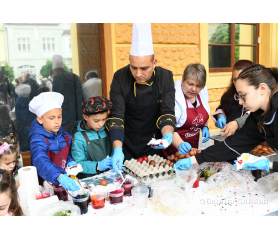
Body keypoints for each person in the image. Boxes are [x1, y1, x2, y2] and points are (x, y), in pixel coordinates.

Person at [173, 64, 278, 173]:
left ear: (262, 88)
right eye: (239, 96)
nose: (241, 102)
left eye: (243, 95)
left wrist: (270, 165)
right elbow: (235, 143)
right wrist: (194, 160)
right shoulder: (257, 116)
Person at [107, 23, 176, 173]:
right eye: (133, 67)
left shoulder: (165, 77)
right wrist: (117, 149)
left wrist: (168, 134)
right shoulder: (120, 77)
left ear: (154, 63)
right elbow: (117, 117)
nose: (138, 74)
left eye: (144, 68)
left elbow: (166, 112)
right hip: (125, 142)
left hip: (153, 143)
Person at [29, 92, 80, 191]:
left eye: (59, 117)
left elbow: (66, 154)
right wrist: (59, 176)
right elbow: (40, 160)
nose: (57, 121)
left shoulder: (65, 136)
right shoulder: (37, 139)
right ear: (40, 119)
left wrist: (70, 162)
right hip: (45, 187)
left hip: (63, 185)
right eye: (51, 118)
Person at [161, 63, 210, 158]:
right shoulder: (174, 96)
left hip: (193, 147)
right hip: (173, 150)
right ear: (183, 79)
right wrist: (180, 144)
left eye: (198, 86)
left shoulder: (203, 92)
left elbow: (203, 112)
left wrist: (205, 126)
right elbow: (169, 126)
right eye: (190, 84)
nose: (194, 89)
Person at [71, 97, 113, 178]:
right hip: (90, 180)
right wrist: (98, 166)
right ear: (86, 117)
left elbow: (113, 150)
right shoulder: (79, 137)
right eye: (96, 121)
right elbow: (79, 163)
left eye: (103, 119)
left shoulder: (107, 129)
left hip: (110, 176)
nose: (101, 124)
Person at [212, 60, 254, 137]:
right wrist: (220, 115)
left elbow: (255, 116)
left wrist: (237, 123)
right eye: (235, 79)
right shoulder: (228, 96)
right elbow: (223, 108)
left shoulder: (257, 97)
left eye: (242, 79)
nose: (237, 83)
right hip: (231, 138)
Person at [52, 55, 83, 128]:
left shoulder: (56, 78)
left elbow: (55, 97)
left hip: (64, 113)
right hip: (77, 110)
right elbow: (80, 95)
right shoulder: (74, 76)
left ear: (55, 70)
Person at [15, 84, 36, 152]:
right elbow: (25, 116)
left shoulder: (19, 100)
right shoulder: (24, 101)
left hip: (23, 127)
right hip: (26, 127)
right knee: (26, 145)